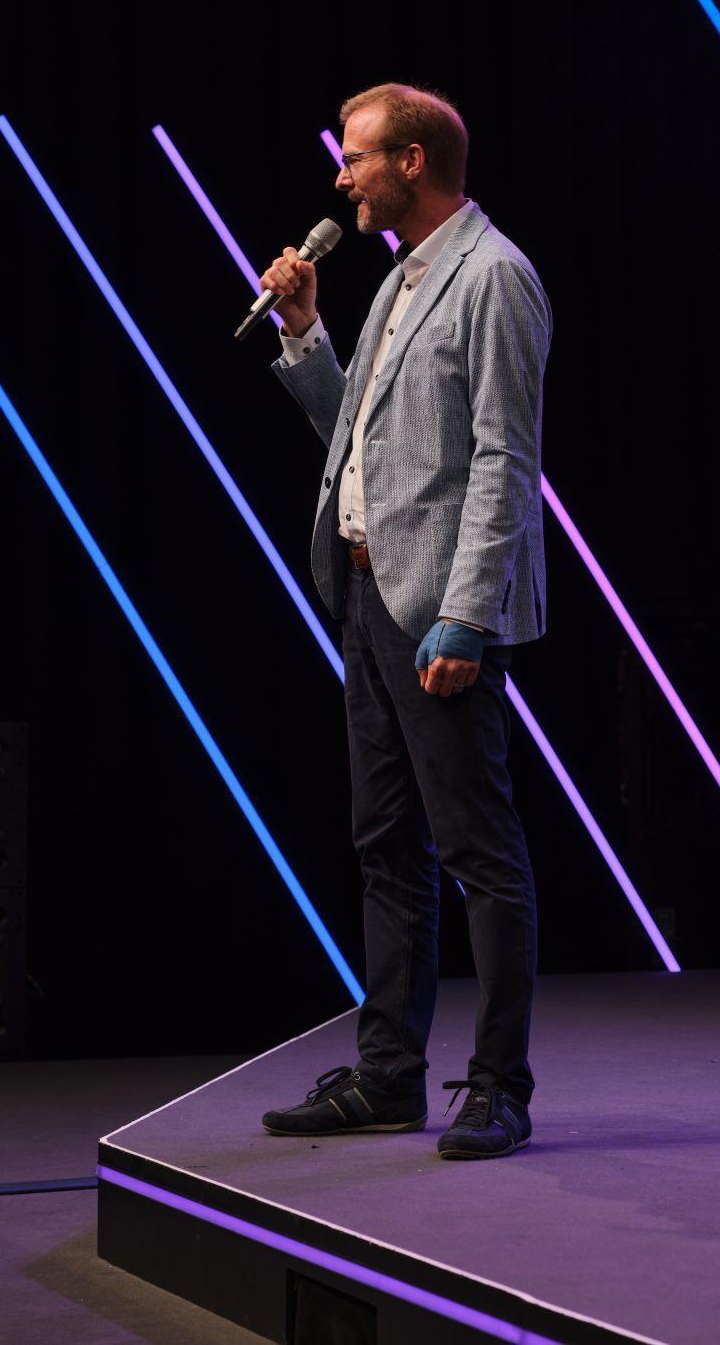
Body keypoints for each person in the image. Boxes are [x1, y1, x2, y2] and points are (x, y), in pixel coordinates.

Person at [256, 83, 552, 1160]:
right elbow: (364, 442)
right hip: (369, 596)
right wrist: (305, 336)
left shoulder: (495, 278)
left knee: (480, 851)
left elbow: (506, 464)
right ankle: (388, 1076)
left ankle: (499, 1085)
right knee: (385, 845)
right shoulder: (397, 283)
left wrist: (468, 619)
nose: (343, 176)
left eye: (359, 157)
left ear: (415, 161)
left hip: (439, 610)